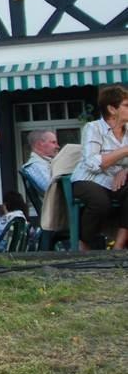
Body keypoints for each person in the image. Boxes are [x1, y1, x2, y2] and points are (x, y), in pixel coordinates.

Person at [70, 86, 128, 251]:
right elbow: (92, 163)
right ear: (112, 109)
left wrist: (125, 170)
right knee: (100, 203)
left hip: (117, 180)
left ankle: (119, 247)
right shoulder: (93, 128)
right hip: (89, 179)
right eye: (126, 105)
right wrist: (124, 150)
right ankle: (84, 244)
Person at [20, 129, 60, 195]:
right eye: (53, 142)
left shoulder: (44, 163)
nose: (57, 146)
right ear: (39, 144)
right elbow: (51, 190)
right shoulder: (35, 166)